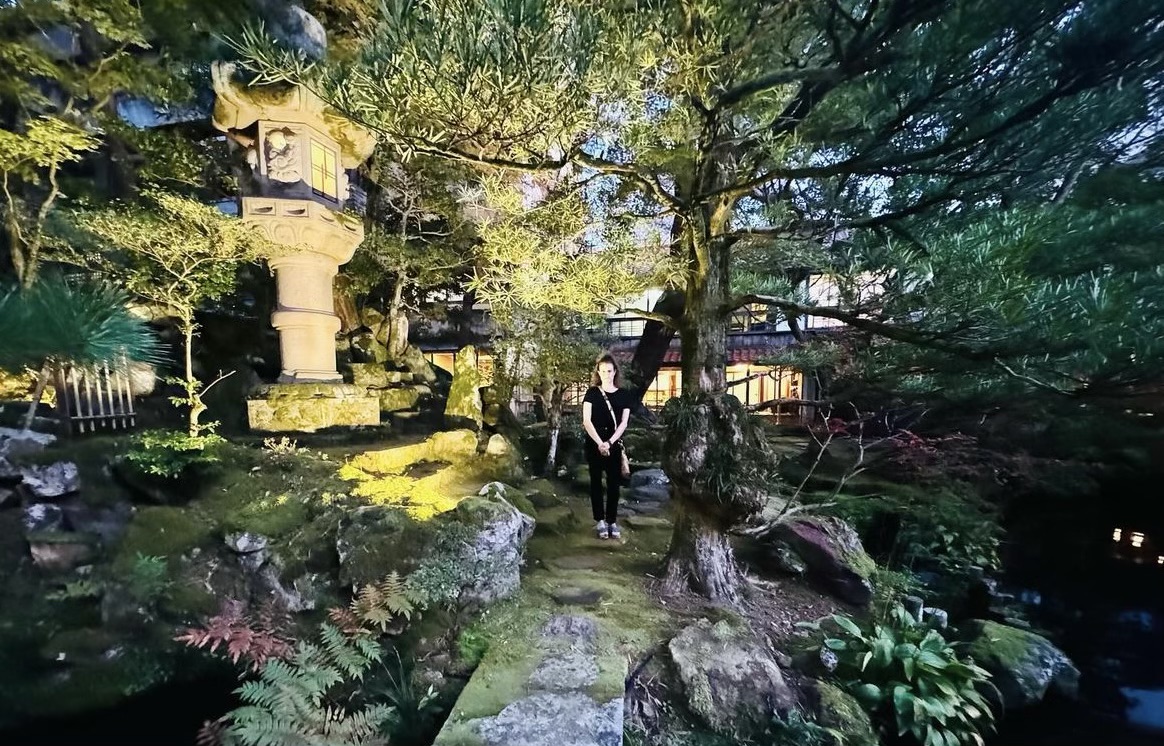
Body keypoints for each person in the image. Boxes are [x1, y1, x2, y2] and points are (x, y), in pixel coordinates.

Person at [582, 353, 631, 540]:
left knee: (613, 485)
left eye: (609, 370)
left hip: (614, 442)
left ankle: (611, 520)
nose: (606, 374)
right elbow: (586, 420)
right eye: (602, 371)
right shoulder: (592, 393)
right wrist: (599, 443)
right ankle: (599, 521)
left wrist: (609, 442)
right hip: (594, 442)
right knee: (595, 482)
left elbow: (624, 423)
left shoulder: (624, 395)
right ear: (598, 372)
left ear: (615, 371)